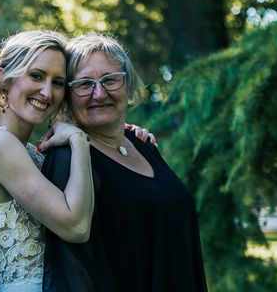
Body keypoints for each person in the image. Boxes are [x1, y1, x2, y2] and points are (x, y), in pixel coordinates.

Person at [42, 33, 208, 292]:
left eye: (110, 80)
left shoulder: (143, 143)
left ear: (128, 86)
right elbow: (73, 270)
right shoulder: (69, 156)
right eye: (84, 84)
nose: (99, 93)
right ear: (68, 95)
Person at [0, 30, 93, 292]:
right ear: (3, 79)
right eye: (36, 76)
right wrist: (79, 141)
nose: (46, 92)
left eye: (57, 82)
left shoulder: (29, 151)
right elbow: (77, 227)